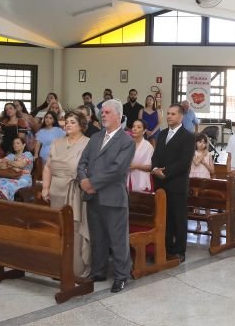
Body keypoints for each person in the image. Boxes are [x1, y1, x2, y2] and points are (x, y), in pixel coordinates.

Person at [78, 100, 135, 290]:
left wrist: (92, 183)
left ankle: (121, 276)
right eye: (102, 112)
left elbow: (117, 170)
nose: (103, 115)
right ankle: (99, 271)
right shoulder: (95, 137)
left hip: (113, 197)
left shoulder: (126, 141)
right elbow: (82, 162)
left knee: (117, 239)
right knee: (98, 237)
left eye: (107, 112)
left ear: (118, 115)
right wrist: (83, 181)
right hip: (93, 197)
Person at [40, 111, 91, 277]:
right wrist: (45, 188)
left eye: (72, 122)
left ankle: (76, 268)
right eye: (66, 122)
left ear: (82, 126)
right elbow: (47, 167)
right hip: (56, 191)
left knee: (75, 230)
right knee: (58, 229)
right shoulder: (57, 142)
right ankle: (58, 267)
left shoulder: (88, 144)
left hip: (75, 192)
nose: (68, 125)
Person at [151, 104, 196, 261]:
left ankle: (179, 250)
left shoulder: (188, 136)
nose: (169, 116)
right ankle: (165, 246)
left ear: (181, 116)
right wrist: (155, 168)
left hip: (176, 183)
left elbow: (184, 162)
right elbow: (155, 155)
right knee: (164, 217)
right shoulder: (162, 134)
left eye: (173, 114)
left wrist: (166, 173)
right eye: (168, 113)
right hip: (160, 184)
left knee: (178, 218)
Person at [128, 119, 154, 192]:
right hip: (127, 179)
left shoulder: (148, 146)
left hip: (142, 180)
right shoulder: (127, 144)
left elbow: (151, 167)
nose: (135, 129)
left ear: (144, 131)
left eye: (139, 127)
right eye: (133, 126)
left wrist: (136, 166)